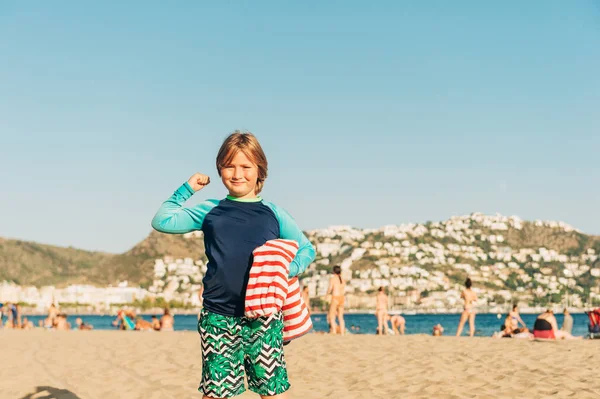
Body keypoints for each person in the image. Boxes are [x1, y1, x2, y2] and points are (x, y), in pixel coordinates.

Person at [151, 131, 315, 399]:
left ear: (260, 170)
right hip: (217, 315)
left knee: (272, 392)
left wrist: (288, 269)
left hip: (264, 317)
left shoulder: (273, 213)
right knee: (216, 393)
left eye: (246, 167)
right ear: (220, 169)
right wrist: (187, 188)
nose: (237, 174)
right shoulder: (210, 209)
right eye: (229, 166)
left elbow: (307, 249)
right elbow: (162, 221)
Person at [326, 265, 346, 335]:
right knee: (340, 316)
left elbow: (330, 288)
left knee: (332, 315)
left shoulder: (333, 278)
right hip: (342, 298)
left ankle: (334, 331)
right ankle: (342, 332)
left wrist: (326, 295)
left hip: (335, 298)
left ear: (333, 271)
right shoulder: (343, 280)